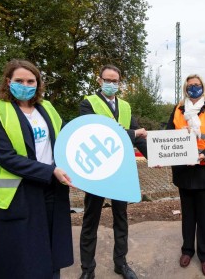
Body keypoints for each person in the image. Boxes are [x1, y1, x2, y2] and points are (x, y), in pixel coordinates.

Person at [0, 59, 74, 279]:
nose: (26, 85)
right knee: (21, 258)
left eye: (31, 81)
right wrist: (49, 171)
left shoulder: (47, 108)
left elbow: (64, 142)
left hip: (51, 190)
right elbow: (6, 157)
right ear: (8, 82)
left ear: (38, 84)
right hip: (18, 193)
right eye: (19, 80)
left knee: (51, 249)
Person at [78, 64, 147, 279]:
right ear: (99, 81)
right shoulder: (88, 103)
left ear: (120, 82)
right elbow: (97, 132)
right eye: (107, 80)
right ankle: (88, 270)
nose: (111, 84)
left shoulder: (125, 106)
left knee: (121, 218)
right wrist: (133, 133)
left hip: (121, 170)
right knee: (91, 220)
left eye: (115, 81)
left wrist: (155, 156)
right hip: (98, 172)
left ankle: (121, 264)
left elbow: (139, 138)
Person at [166, 74, 205, 277]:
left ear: (203, 87)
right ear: (185, 88)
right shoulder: (178, 109)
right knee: (188, 215)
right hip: (184, 171)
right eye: (190, 85)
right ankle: (187, 250)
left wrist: (203, 156)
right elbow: (168, 135)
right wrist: (162, 156)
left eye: (197, 85)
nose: (194, 88)